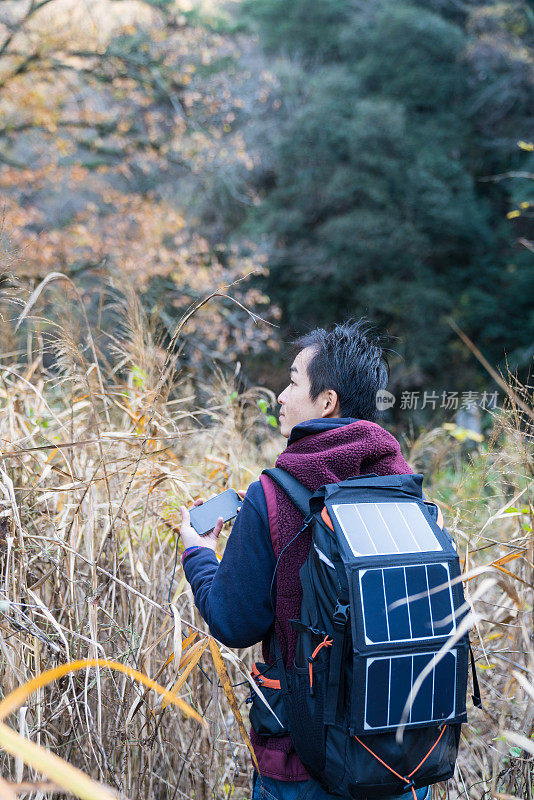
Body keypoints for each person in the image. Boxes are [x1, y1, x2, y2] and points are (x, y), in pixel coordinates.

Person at [179, 320, 430, 800]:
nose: (280, 395)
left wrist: (199, 553)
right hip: (401, 756)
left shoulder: (271, 496)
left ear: (326, 401)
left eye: (293, 381)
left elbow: (234, 623)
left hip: (302, 763)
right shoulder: (406, 493)